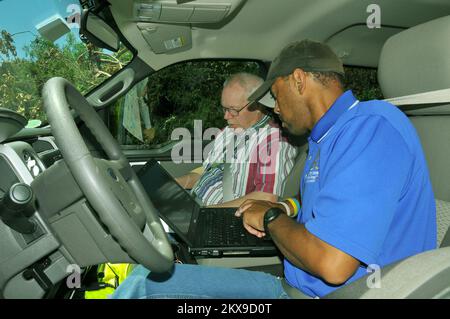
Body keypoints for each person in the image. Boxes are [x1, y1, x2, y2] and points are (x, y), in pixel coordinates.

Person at [112, 40, 436, 299]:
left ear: (298, 80)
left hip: (335, 292)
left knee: (144, 290)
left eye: (276, 96)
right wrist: (286, 205)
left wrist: (269, 217)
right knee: (145, 282)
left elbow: (333, 265)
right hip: (293, 285)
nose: (275, 109)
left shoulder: (370, 128)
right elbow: (322, 204)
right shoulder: (326, 137)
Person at [175, 72, 298, 207]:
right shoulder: (227, 132)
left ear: (257, 106)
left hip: (223, 217)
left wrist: (206, 213)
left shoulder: (273, 142)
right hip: (194, 204)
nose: (226, 116)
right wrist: (172, 185)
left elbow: (267, 197)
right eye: (224, 108)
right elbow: (207, 172)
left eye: (233, 110)